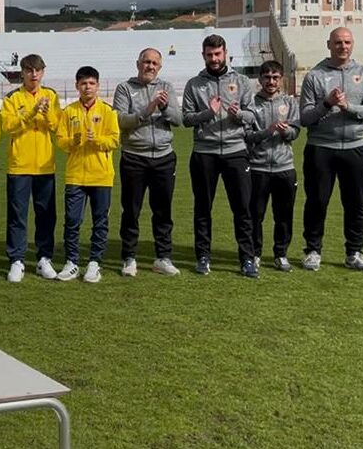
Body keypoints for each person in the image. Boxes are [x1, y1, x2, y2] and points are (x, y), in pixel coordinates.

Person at [298, 27, 363, 272]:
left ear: (352, 44)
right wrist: (327, 104)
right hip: (321, 149)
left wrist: (348, 106)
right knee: (317, 202)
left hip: (356, 148)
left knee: (356, 203)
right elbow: (305, 118)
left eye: (347, 42)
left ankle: (354, 252)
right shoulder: (315, 75)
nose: (342, 46)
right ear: (328, 44)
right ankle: (313, 250)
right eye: (337, 42)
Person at [182, 34, 257, 278]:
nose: (214, 59)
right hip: (205, 153)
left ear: (225, 53)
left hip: (236, 152)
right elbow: (186, 118)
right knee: (203, 207)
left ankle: (247, 258)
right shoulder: (194, 84)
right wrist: (207, 113)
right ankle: (203, 256)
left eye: (218, 54)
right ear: (203, 55)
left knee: (243, 208)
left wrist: (239, 115)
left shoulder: (242, 81)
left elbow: (253, 115)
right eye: (209, 55)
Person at [112, 48, 183, 277]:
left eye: (154, 63)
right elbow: (121, 121)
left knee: (163, 211)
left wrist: (163, 107)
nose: (150, 66)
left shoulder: (167, 88)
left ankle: (163, 257)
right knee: (131, 210)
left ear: (159, 67)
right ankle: (129, 257)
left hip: (163, 157)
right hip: (134, 157)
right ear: (138, 63)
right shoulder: (125, 88)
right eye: (146, 62)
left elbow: (178, 119)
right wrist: (148, 109)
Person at [55, 66, 120, 283]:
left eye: (92, 83)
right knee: (72, 220)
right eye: (83, 83)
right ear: (77, 86)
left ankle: (94, 263)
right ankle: (72, 262)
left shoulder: (108, 111)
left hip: (101, 175)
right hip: (75, 175)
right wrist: (71, 142)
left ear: (98, 86)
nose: (87, 87)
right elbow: (60, 141)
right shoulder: (69, 112)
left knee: (100, 221)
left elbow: (115, 141)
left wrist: (97, 141)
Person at [0, 53, 61, 282]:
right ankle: (16, 259)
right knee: (17, 215)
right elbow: (9, 126)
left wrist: (45, 116)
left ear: (43, 72)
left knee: (46, 214)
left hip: (45, 165)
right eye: (28, 70)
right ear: (22, 73)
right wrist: (31, 112)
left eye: (37, 70)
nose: (33, 75)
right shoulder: (12, 98)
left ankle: (44, 258)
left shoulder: (51, 95)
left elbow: (57, 126)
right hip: (20, 165)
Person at [245, 60, 300, 272]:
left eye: (275, 77)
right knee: (255, 214)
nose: (271, 81)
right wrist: (267, 132)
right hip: (257, 167)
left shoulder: (290, 102)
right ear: (260, 79)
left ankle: (281, 253)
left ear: (281, 79)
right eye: (267, 77)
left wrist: (285, 131)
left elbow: (295, 132)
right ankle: (255, 253)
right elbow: (248, 137)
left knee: (284, 214)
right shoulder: (251, 104)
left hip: (284, 167)